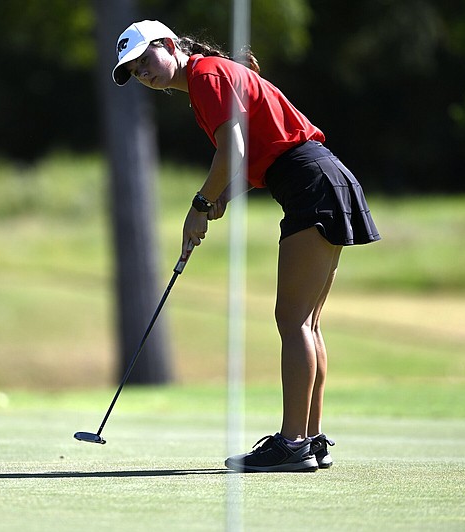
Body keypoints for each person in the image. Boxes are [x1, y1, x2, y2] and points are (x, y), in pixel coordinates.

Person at [111, 20, 381, 473]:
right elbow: (252, 163)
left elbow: (230, 151)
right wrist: (220, 201)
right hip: (319, 179)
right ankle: (310, 439)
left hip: (311, 183)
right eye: (134, 70)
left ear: (171, 44)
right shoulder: (208, 80)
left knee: (293, 321)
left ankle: (293, 442)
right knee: (307, 323)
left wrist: (199, 204)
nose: (143, 72)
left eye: (145, 59)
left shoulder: (205, 75)